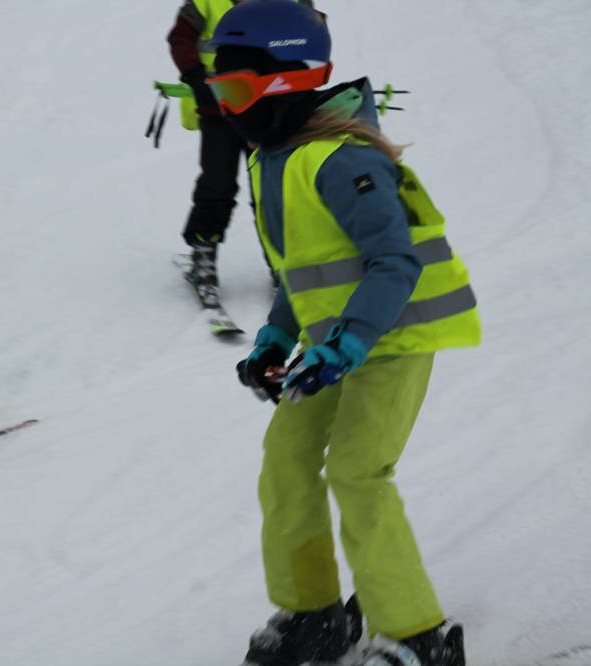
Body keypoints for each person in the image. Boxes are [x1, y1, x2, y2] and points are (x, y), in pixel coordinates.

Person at [211, 1, 481, 664]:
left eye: (235, 89)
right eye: (217, 90)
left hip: (394, 339)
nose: (225, 107)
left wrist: (348, 344)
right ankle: (314, 615)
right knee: (286, 463)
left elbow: (394, 262)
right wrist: (276, 341)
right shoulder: (274, 159)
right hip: (332, 347)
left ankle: (417, 635)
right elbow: (302, 272)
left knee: (360, 474)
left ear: (288, 80)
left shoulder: (340, 160)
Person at [167, 0, 313, 302]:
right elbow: (181, 38)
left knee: (271, 188)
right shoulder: (206, 2)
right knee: (217, 182)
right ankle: (203, 252)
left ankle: (282, 262)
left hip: (269, 109)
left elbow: (309, 32)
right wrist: (195, 76)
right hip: (219, 108)